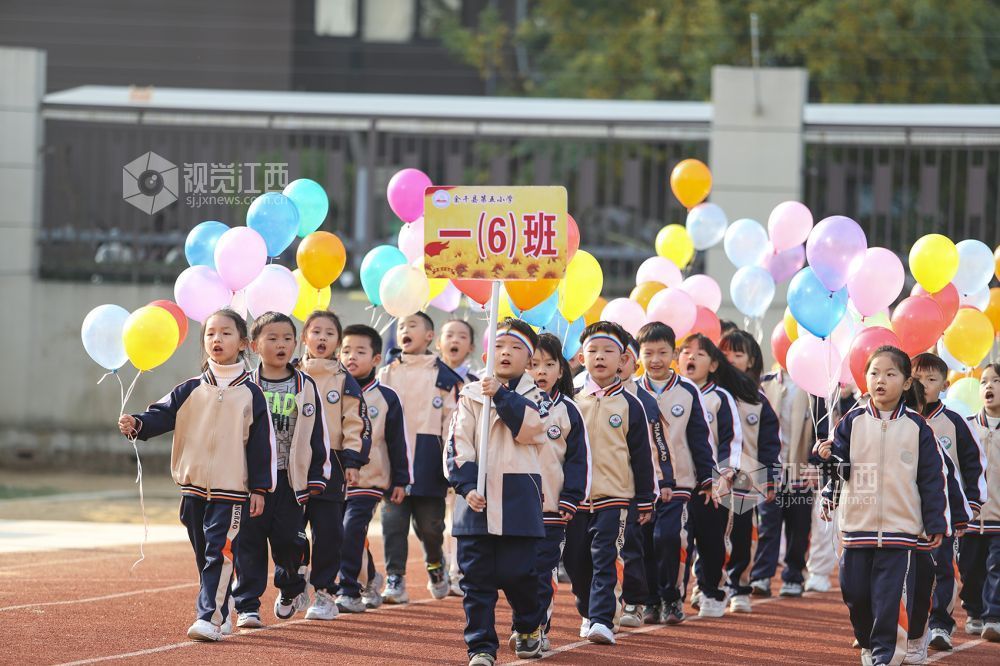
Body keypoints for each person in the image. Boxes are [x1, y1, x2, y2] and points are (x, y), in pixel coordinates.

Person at [118, 308, 274, 642]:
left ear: (244, 342)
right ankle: (221, 606)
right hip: (192, 490)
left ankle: (210, 618)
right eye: (211, 333)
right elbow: (159, 415)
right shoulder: (188, 389)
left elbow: (262, 446)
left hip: (232, 491)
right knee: (204, 554)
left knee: (218, 552)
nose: (217, 339)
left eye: (226, 333)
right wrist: (137, 424)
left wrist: (260, 489)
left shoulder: (253, 395)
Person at [815, 346, 948, 666]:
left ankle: (884, 654)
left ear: (905, 383)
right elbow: (840, 467)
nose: (881, 380)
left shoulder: (918, 427)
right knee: (855, 594)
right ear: (865, 379)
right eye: (874, 373)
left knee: (889, 598)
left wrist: (935, 523)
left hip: (899, 529)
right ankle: (867, 639)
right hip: (857, 525)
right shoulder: (852, 420)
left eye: (890, 374)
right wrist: (826, 456)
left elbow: (931, 478)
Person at [447, 319, 549, 665]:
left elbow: (530, 430)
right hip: (476, 502)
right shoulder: (470, 395)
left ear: (530, 359)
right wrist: (467, 487)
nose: (506, 352)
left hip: (519, 499)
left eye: (516, 347)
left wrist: (501, 395)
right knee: (476, 581)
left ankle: (528, 625)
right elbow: (458, 444)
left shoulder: (539, 396)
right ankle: (480, 647)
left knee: (519, 574)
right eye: (500, 345)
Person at [232, 312, 330, 628]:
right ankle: (247, 605)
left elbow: (319, 433)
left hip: (290, 479)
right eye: (272, 338)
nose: (281, 344)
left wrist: (317, 474)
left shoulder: (305, 384)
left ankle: (290, 589)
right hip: (252, 481)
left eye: (287, 338)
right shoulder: (245, 385)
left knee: (290, 541)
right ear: (254, 345)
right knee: (248, 542)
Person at [566, 321, 655, 645]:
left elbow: (642, 456)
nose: (600, 357)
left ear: (623, 360)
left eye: (608, 351)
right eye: (593, 351)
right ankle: (588, 610)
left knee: (606, 557)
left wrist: (645, 498)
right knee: (575, 562)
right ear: (580, 356)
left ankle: (603, 619)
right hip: (575, 498)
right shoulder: (571, 400)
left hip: (615, 497)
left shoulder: (632, 405)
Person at [378, 311, 464, 603]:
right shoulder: (387, 372)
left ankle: (436, 564)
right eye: (402, 325)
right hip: (394, 463)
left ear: (429, 336)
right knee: (393, 525)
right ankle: (395, 579)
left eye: (412, 325)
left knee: (431, 526)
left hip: (429, 464)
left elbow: (452, 427)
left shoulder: (444, 377)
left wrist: (452, 469)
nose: (405, 329)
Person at [636, 322, 715, 624]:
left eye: (662, 352)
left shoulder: (687, 390)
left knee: (669, 538)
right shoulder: (631, 390)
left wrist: (707, 478)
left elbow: (699, 436)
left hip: (681, 482)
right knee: (644, 542)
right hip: (642, 485)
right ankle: (651, 599)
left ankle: (672, 597)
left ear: (673, 353)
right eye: (648, 353)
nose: (655, 359)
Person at [297, 310, 372, 620]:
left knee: (328, 532)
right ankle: (293, 583)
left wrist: (352, 461)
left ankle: (325, 593)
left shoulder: (346, 382)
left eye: (330, 333)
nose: (322, 338)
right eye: (316, 331)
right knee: (290, 531)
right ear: (304, 338)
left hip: (332, 466)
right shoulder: (290, 375)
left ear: (338, 342)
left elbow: (355, 423)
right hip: (291, 466)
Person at [678, 333, 759, 614]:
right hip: (678, 482)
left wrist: (724, 474)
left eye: (700, 354)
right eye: (686, 352)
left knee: (713, 541)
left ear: (713, 365)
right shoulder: (672, 393)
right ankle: (672, 596)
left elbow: (732, 439)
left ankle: (714, 590)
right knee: (677, 540)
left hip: (713, 484)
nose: (691, 357)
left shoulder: (721, 398)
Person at [912, 352, 987, 651]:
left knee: (944, 569)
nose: (924, 385)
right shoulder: (901, 420)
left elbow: (972, 465)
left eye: (931, 380)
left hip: (943, 514)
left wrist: (972, 502)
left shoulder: (955, 422)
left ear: (944, 385)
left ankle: (940, 625)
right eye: (918, 379)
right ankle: (896, 625)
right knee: (906, 571)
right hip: (904, 512)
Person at [521, 332, 590, 653]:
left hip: (552, 508)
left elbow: (579, 459)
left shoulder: (569, 411)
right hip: (515, 507)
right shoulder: (511, 407)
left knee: (540, 572)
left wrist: (570, 497)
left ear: (561, 371)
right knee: (516, 573)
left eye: (549, 364)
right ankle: (526, 623)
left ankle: (534, 629)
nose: (541, 372)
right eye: (534, 364)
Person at [335, 324, 409, 612]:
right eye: (346, 351)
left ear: (376, 359)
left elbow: (396, 442)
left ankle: (348, 590)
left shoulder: (387, 397)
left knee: (351, 527)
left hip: (371, 478)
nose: (351, 357)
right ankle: (371, 578)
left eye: (360, 351)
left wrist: (400, 480)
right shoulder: (331, 390)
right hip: (335, 478)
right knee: (339, 534)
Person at [718, 330, 781, 610]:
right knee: (710, 535)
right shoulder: (708, 395)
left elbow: (769, 443)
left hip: (747, 478)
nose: (730, 358)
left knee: (743, 534)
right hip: (713, 477)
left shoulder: (758, 400)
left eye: (738, 354)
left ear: (752, 361)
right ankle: (709, 585)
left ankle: (739, 587)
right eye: (725, 352)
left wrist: (768, 478)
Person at [752, 364, 825, 599]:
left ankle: (793, 575)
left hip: (800, 468)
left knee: (799, 527)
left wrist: (816, 464)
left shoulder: (815, 388)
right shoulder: (765, 383)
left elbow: (821, 430)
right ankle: (761, 575)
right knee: (768, 524)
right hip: (770, 469)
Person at [618, 332, 673, 628]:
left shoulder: (644, 401)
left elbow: (659, 445)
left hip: (633, 488)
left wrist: (664, 482)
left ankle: (636, 602)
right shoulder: (583, 394)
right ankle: (597, 606)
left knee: (633, 547)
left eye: (625, 356)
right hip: (594, 488)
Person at [438, 317, 478, 596]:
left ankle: (456, 571)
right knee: (433, 520)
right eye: (449, 335)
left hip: (462, 456)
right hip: (432, 454)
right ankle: (439, 564)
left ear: (471, 346)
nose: (454, 340)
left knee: (458, 516)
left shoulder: (475, 383)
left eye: (462, 336)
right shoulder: (430, 377)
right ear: (438, 342)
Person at [961, 363, 1000, 643]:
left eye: (997, 381)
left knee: (996, 567)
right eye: (985, 381)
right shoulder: (967, 425)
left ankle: (994, 616)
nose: (989, 386)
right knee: (970, 570)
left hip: (999, 517)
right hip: (971, 518)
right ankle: (974, 610)